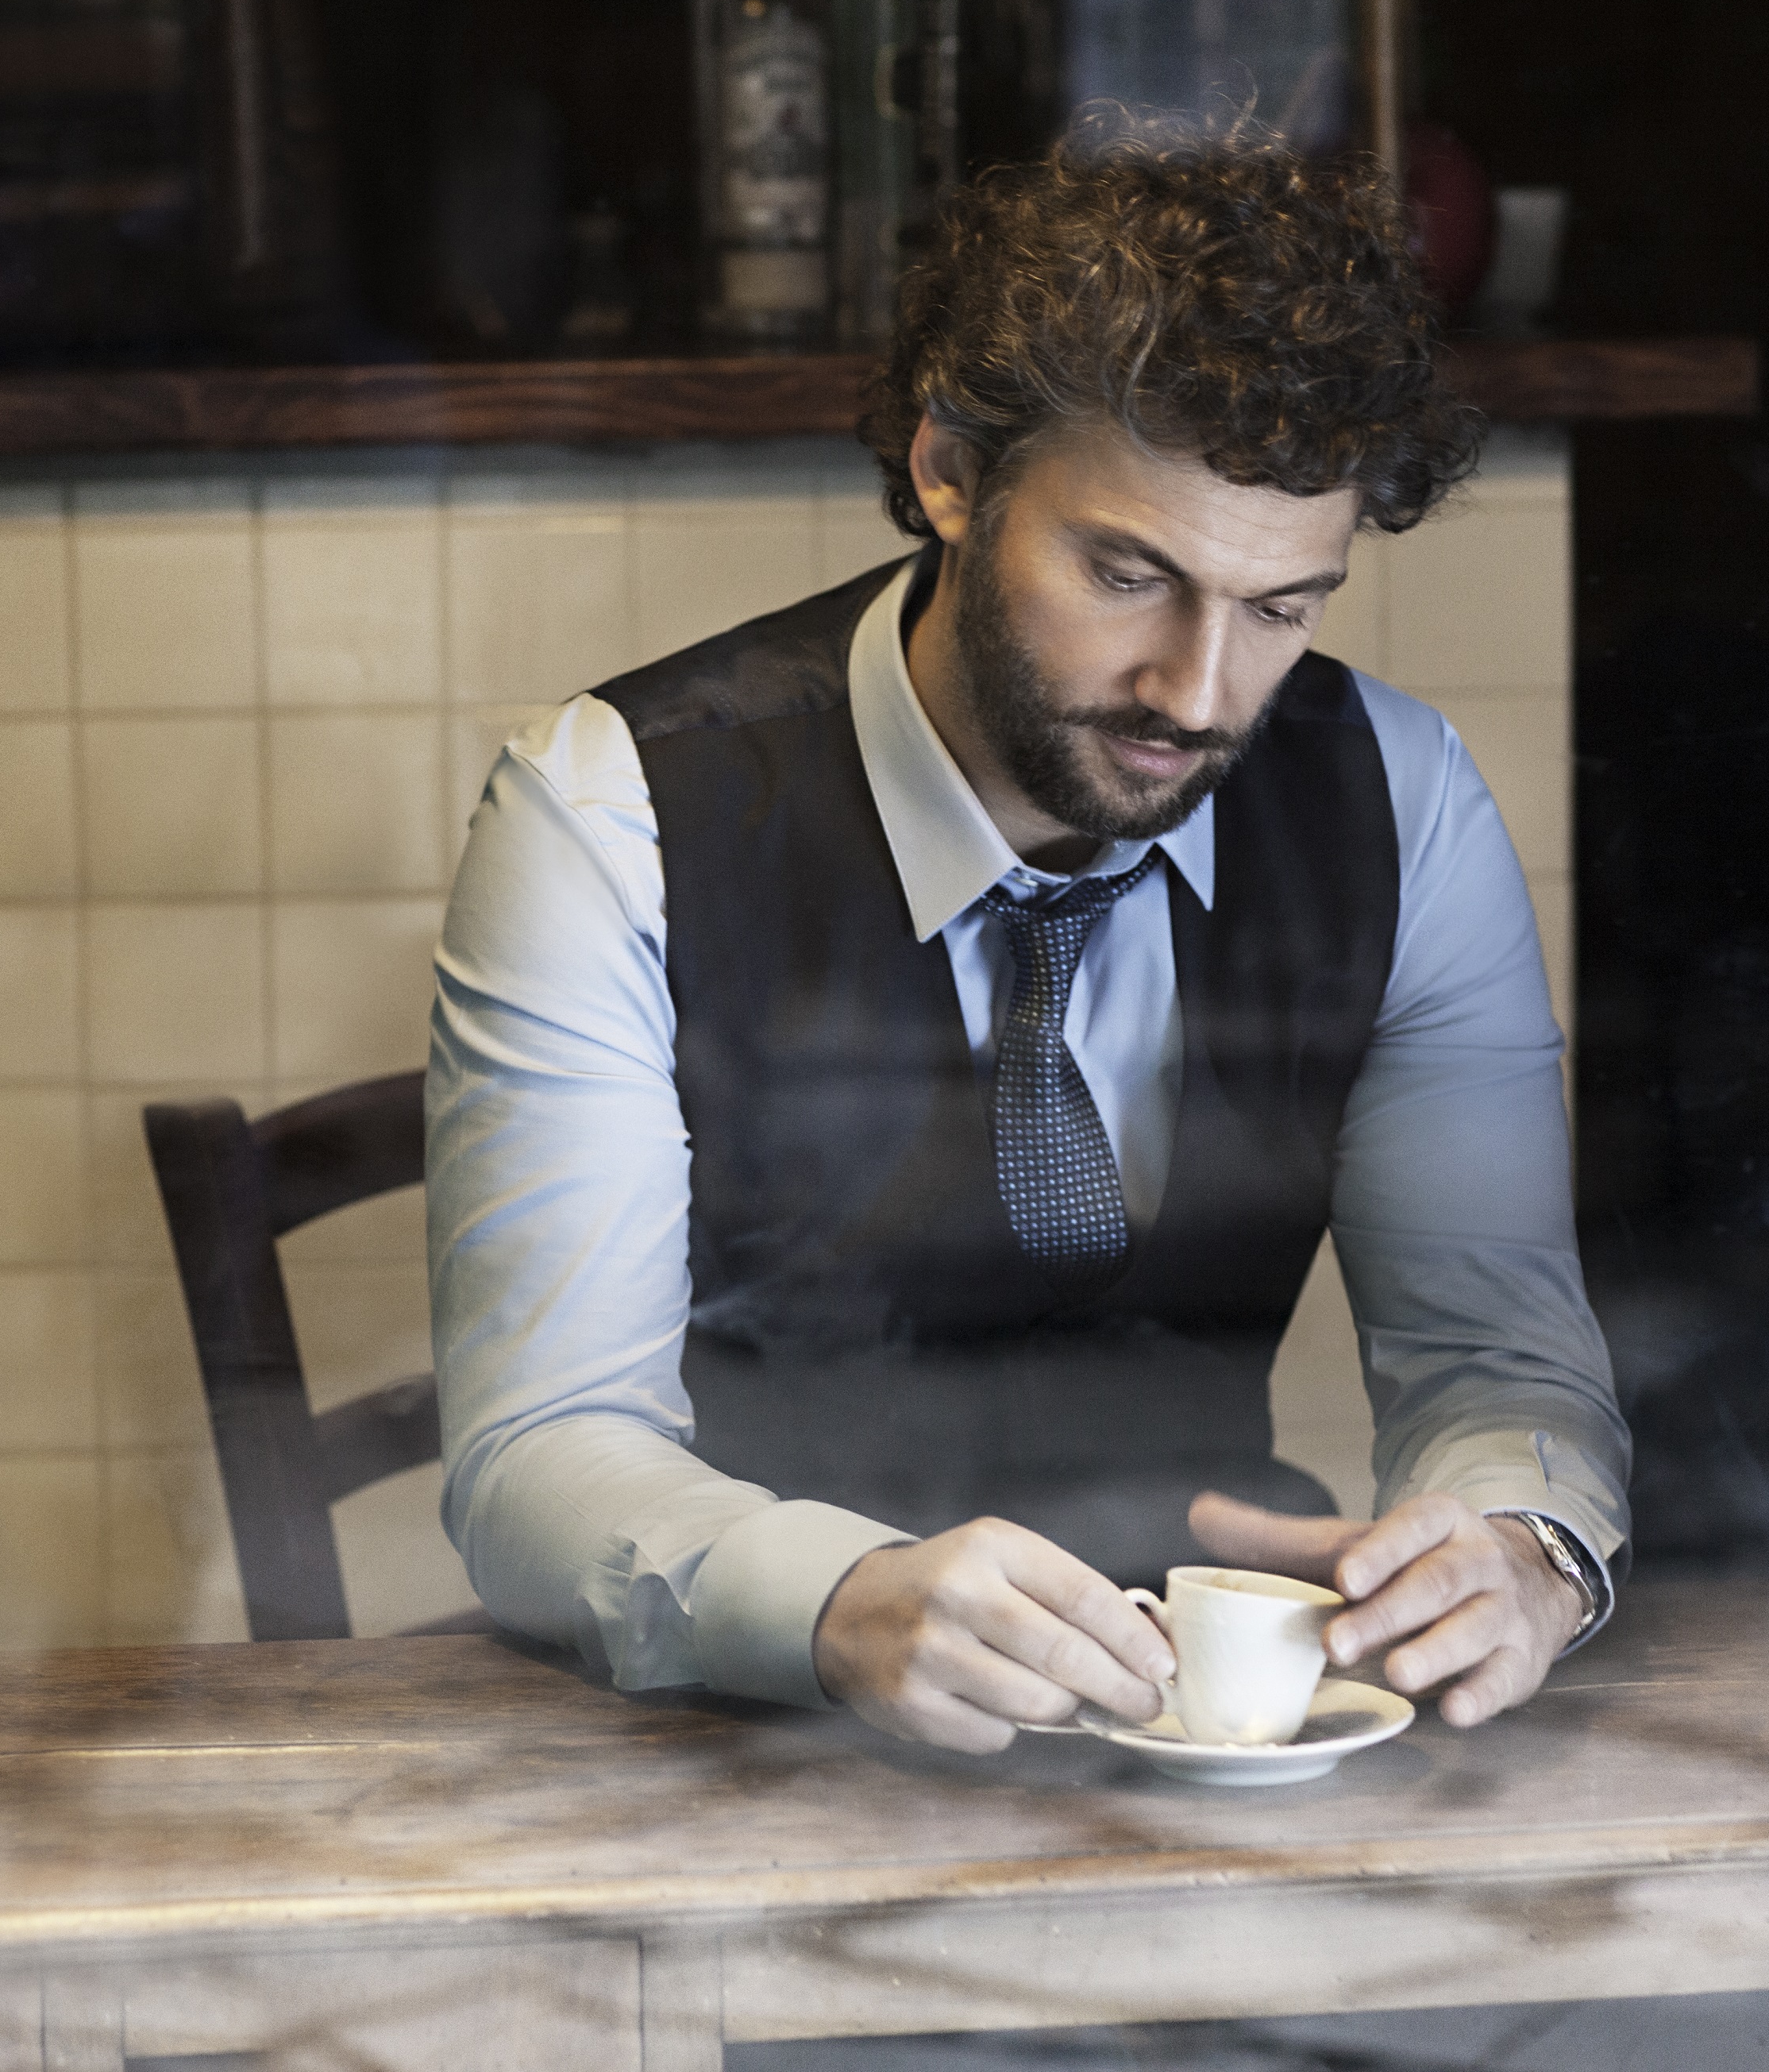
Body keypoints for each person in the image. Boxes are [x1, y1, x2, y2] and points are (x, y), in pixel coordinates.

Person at [426, 117, 1631, 1754]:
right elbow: (540, 1452)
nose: (1199, 695)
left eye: (1282, 608)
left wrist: (1523, 1545)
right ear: (948, 472)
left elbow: (1494, 1354)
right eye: (1126, 572)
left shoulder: (1397, 801)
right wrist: (838, 1602)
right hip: (747, 1747)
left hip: (1224, 1750)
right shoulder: (612, 813)